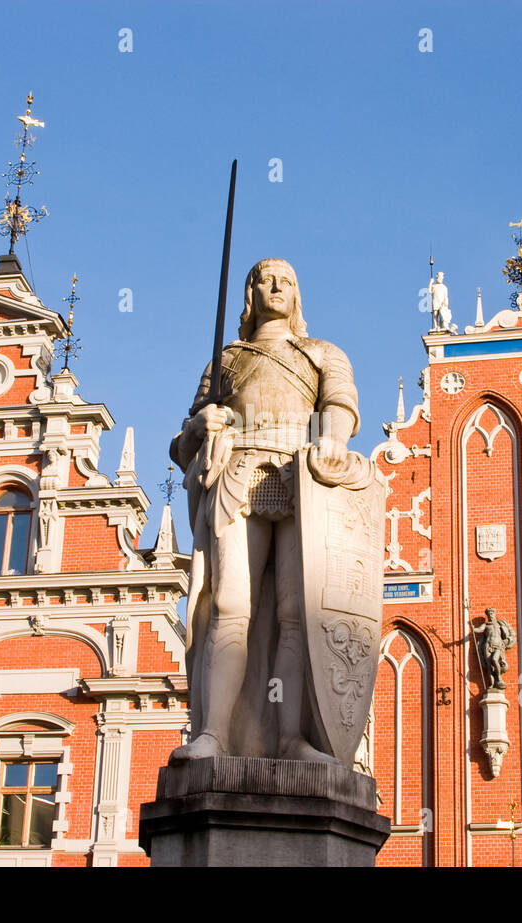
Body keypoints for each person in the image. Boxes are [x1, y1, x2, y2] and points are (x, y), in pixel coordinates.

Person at [169, 257, 361, 764]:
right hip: (242, 471)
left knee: (297, 614)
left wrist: (334, 440)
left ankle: (289, 737)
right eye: (265, 278)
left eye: (288, 280)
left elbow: (339, 405)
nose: (276, 285)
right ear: (251, 293)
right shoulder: (225, 361)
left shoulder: (322, 353)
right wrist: (199, 426)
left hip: (303, 479)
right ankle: (213, 734)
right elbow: (184, 443)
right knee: (231, 606)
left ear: (298, 295)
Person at [474, 607, 516, 690]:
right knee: (489, 666)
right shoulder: (486, 625)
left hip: (498, 646)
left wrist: (507, 641)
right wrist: (473, 628)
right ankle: (492, 684)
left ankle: (499, 678)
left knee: (494, 659)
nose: (491, 615)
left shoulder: (499, 624)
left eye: (492, 614)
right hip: (488, 646)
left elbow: (509, 634)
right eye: (489, 614)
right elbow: (479, 630)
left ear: (494, 614)